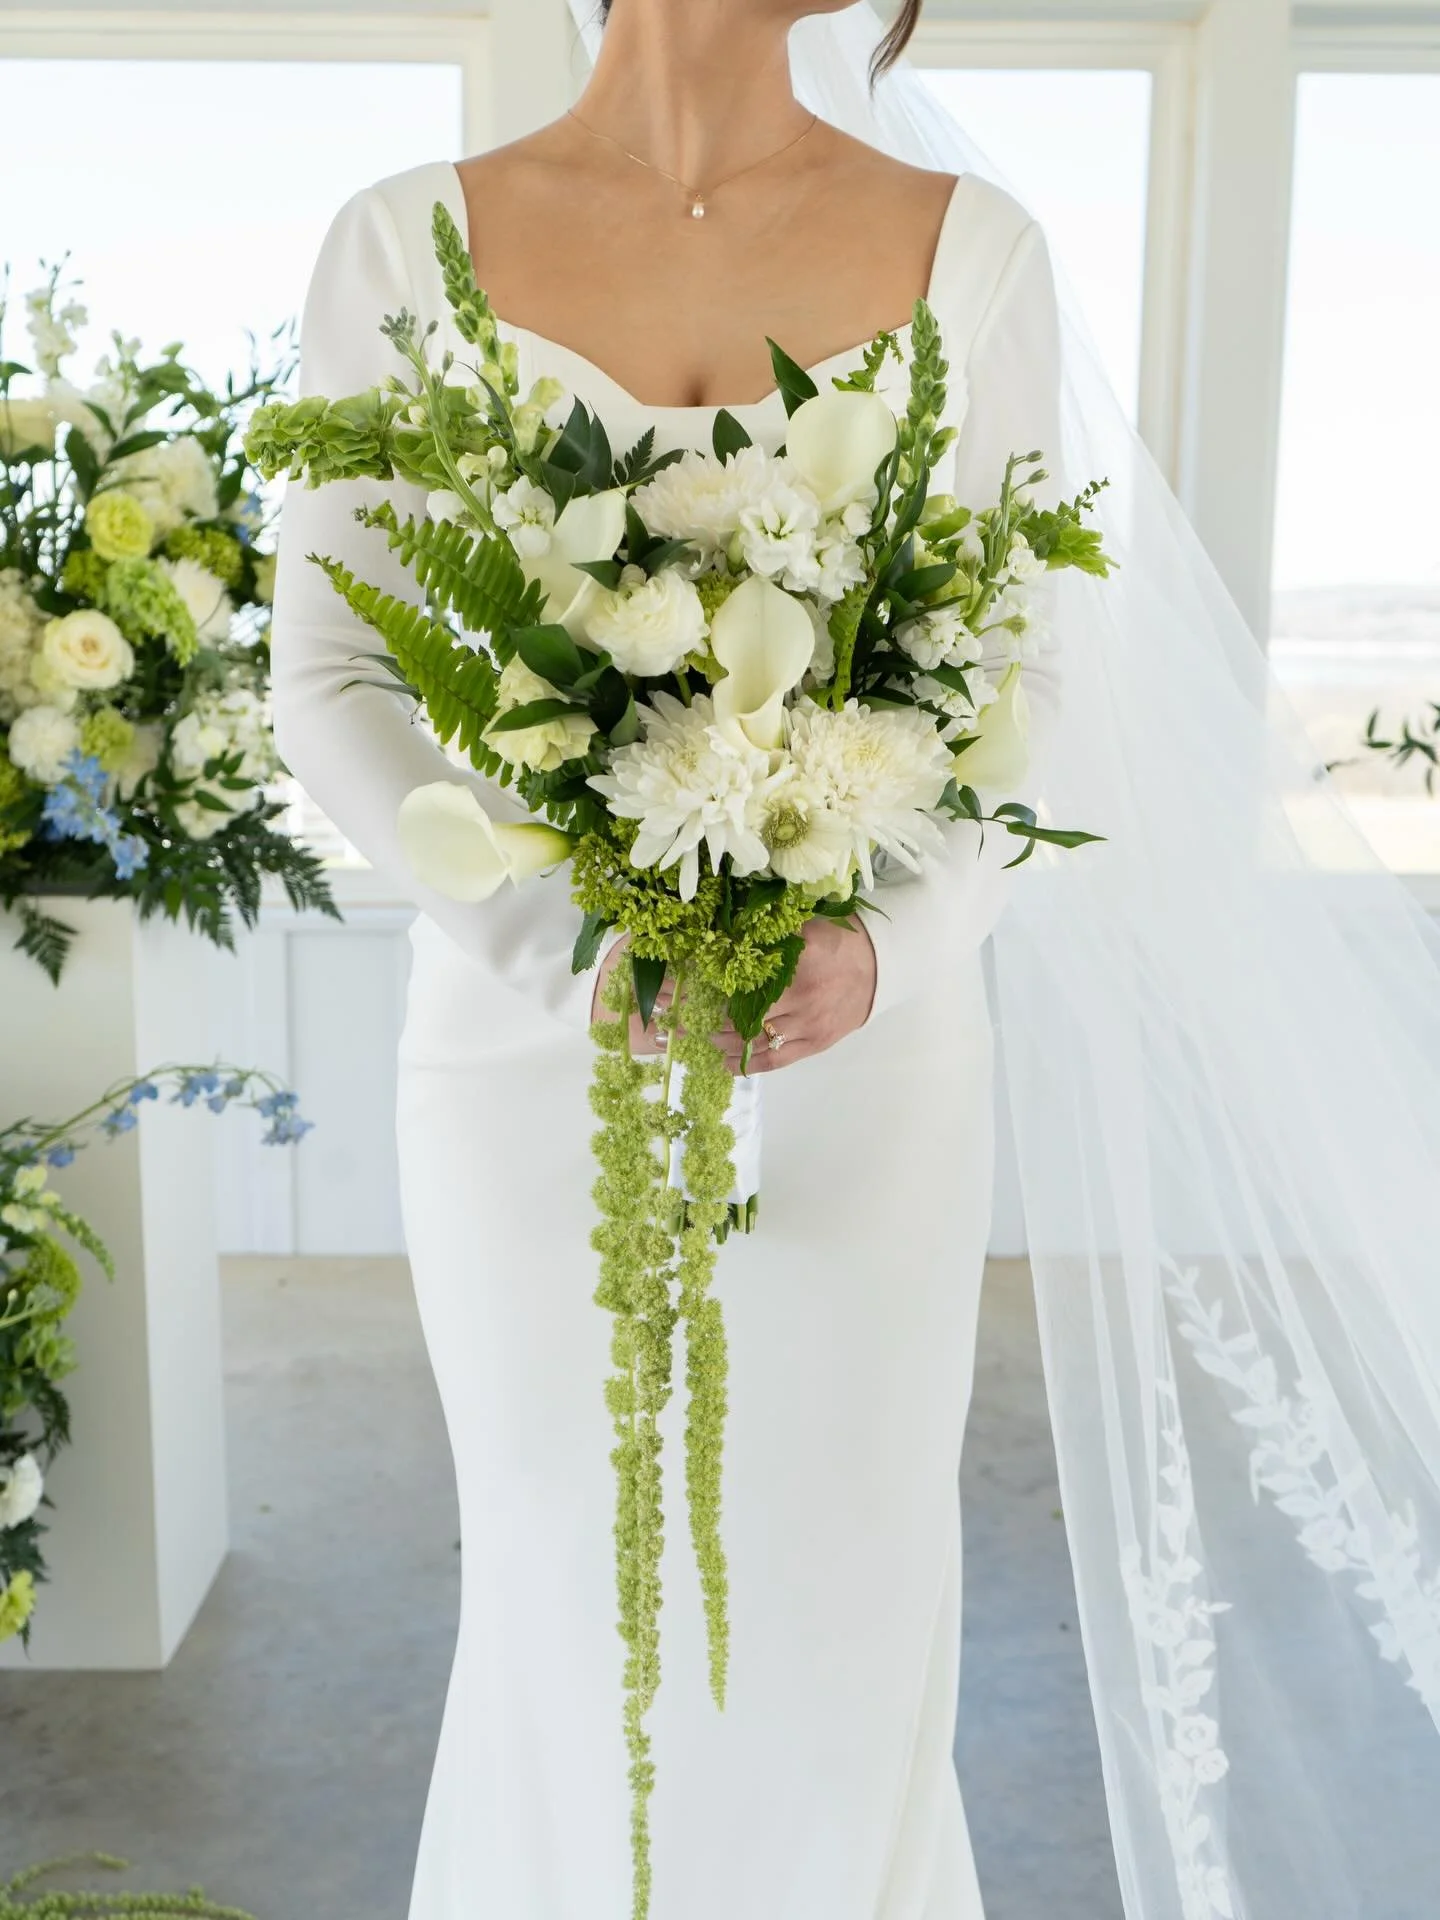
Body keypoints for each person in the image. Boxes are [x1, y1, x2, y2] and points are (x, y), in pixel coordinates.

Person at [272, 2, 1440, 1916]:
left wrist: (887, 939)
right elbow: (328, 677)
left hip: (861, 1053)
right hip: (521, 1054)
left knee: (838, 1619)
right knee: (571, 1603)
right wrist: (552, 935)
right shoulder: (401, 242)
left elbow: (1034, 677)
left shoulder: (973, 252)